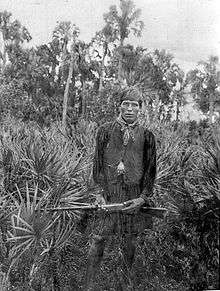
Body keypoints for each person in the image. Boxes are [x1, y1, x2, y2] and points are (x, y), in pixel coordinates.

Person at [85, 86, 157, 290]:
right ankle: (88, 286)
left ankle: (125, 285)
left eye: (134, 105)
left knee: (130, 243)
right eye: (126, 104)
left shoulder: (148, 136)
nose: (130, 109)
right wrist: (98, 194)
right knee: (98, 239)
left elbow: (151, 171)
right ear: (119, 105)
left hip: (132, 197)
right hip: (109, 195)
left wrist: (142, 199)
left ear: (140, 109)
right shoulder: (105, 131)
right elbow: (97, 165)